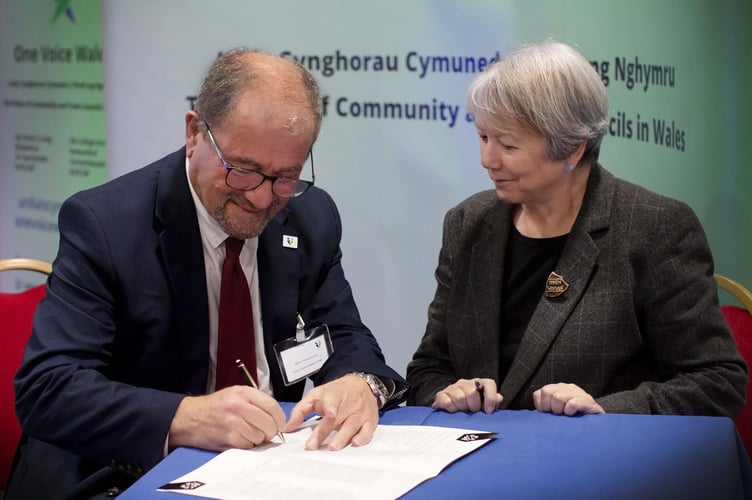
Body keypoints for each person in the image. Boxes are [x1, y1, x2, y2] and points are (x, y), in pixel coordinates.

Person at [9, 48, 407, 499]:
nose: (261, 199)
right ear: (195, 133)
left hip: (272, 472)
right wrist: (186, 417)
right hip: (127, 473)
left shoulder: (309, 215)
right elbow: (49, 388)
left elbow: (344, 334)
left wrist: (361, 383)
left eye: (285, 175)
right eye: (243, 171)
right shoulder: (106, 224)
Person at [406, 41, 747, 418]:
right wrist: (448, 392)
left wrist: (605, 408)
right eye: (483, 138)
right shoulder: (468, 222)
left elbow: (718, 382)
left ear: (571, 149)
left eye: (508, 144)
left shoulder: (655, 228)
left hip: (606, 469)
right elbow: (427, 369)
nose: (487, 160)